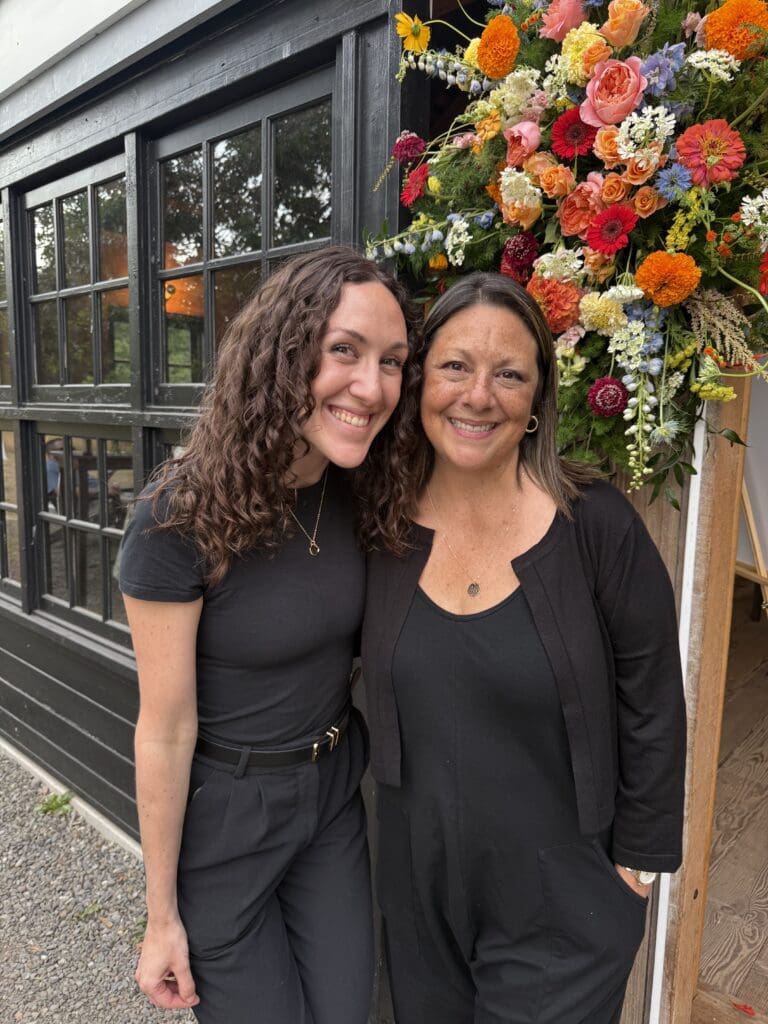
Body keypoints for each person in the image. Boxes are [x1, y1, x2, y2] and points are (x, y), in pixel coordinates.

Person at [359, 272, 687, 1024]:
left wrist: (636, 868)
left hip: (563, 902)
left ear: (538, 401)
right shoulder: (379, 521)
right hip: (418, 895)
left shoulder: (595, 525)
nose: (478, 396)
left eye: (509, 374)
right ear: (420, 382)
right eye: (455, 366)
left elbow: (652, 701)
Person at [119, 246, 418, 1024]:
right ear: (281, 355)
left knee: (346, 1010)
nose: (371, 386)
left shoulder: (364, 490)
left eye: (392, 361)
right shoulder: (178, 518)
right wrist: (161, 918)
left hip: (330, 795)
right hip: (228, 818)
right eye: (344, 350)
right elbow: (164, 729)